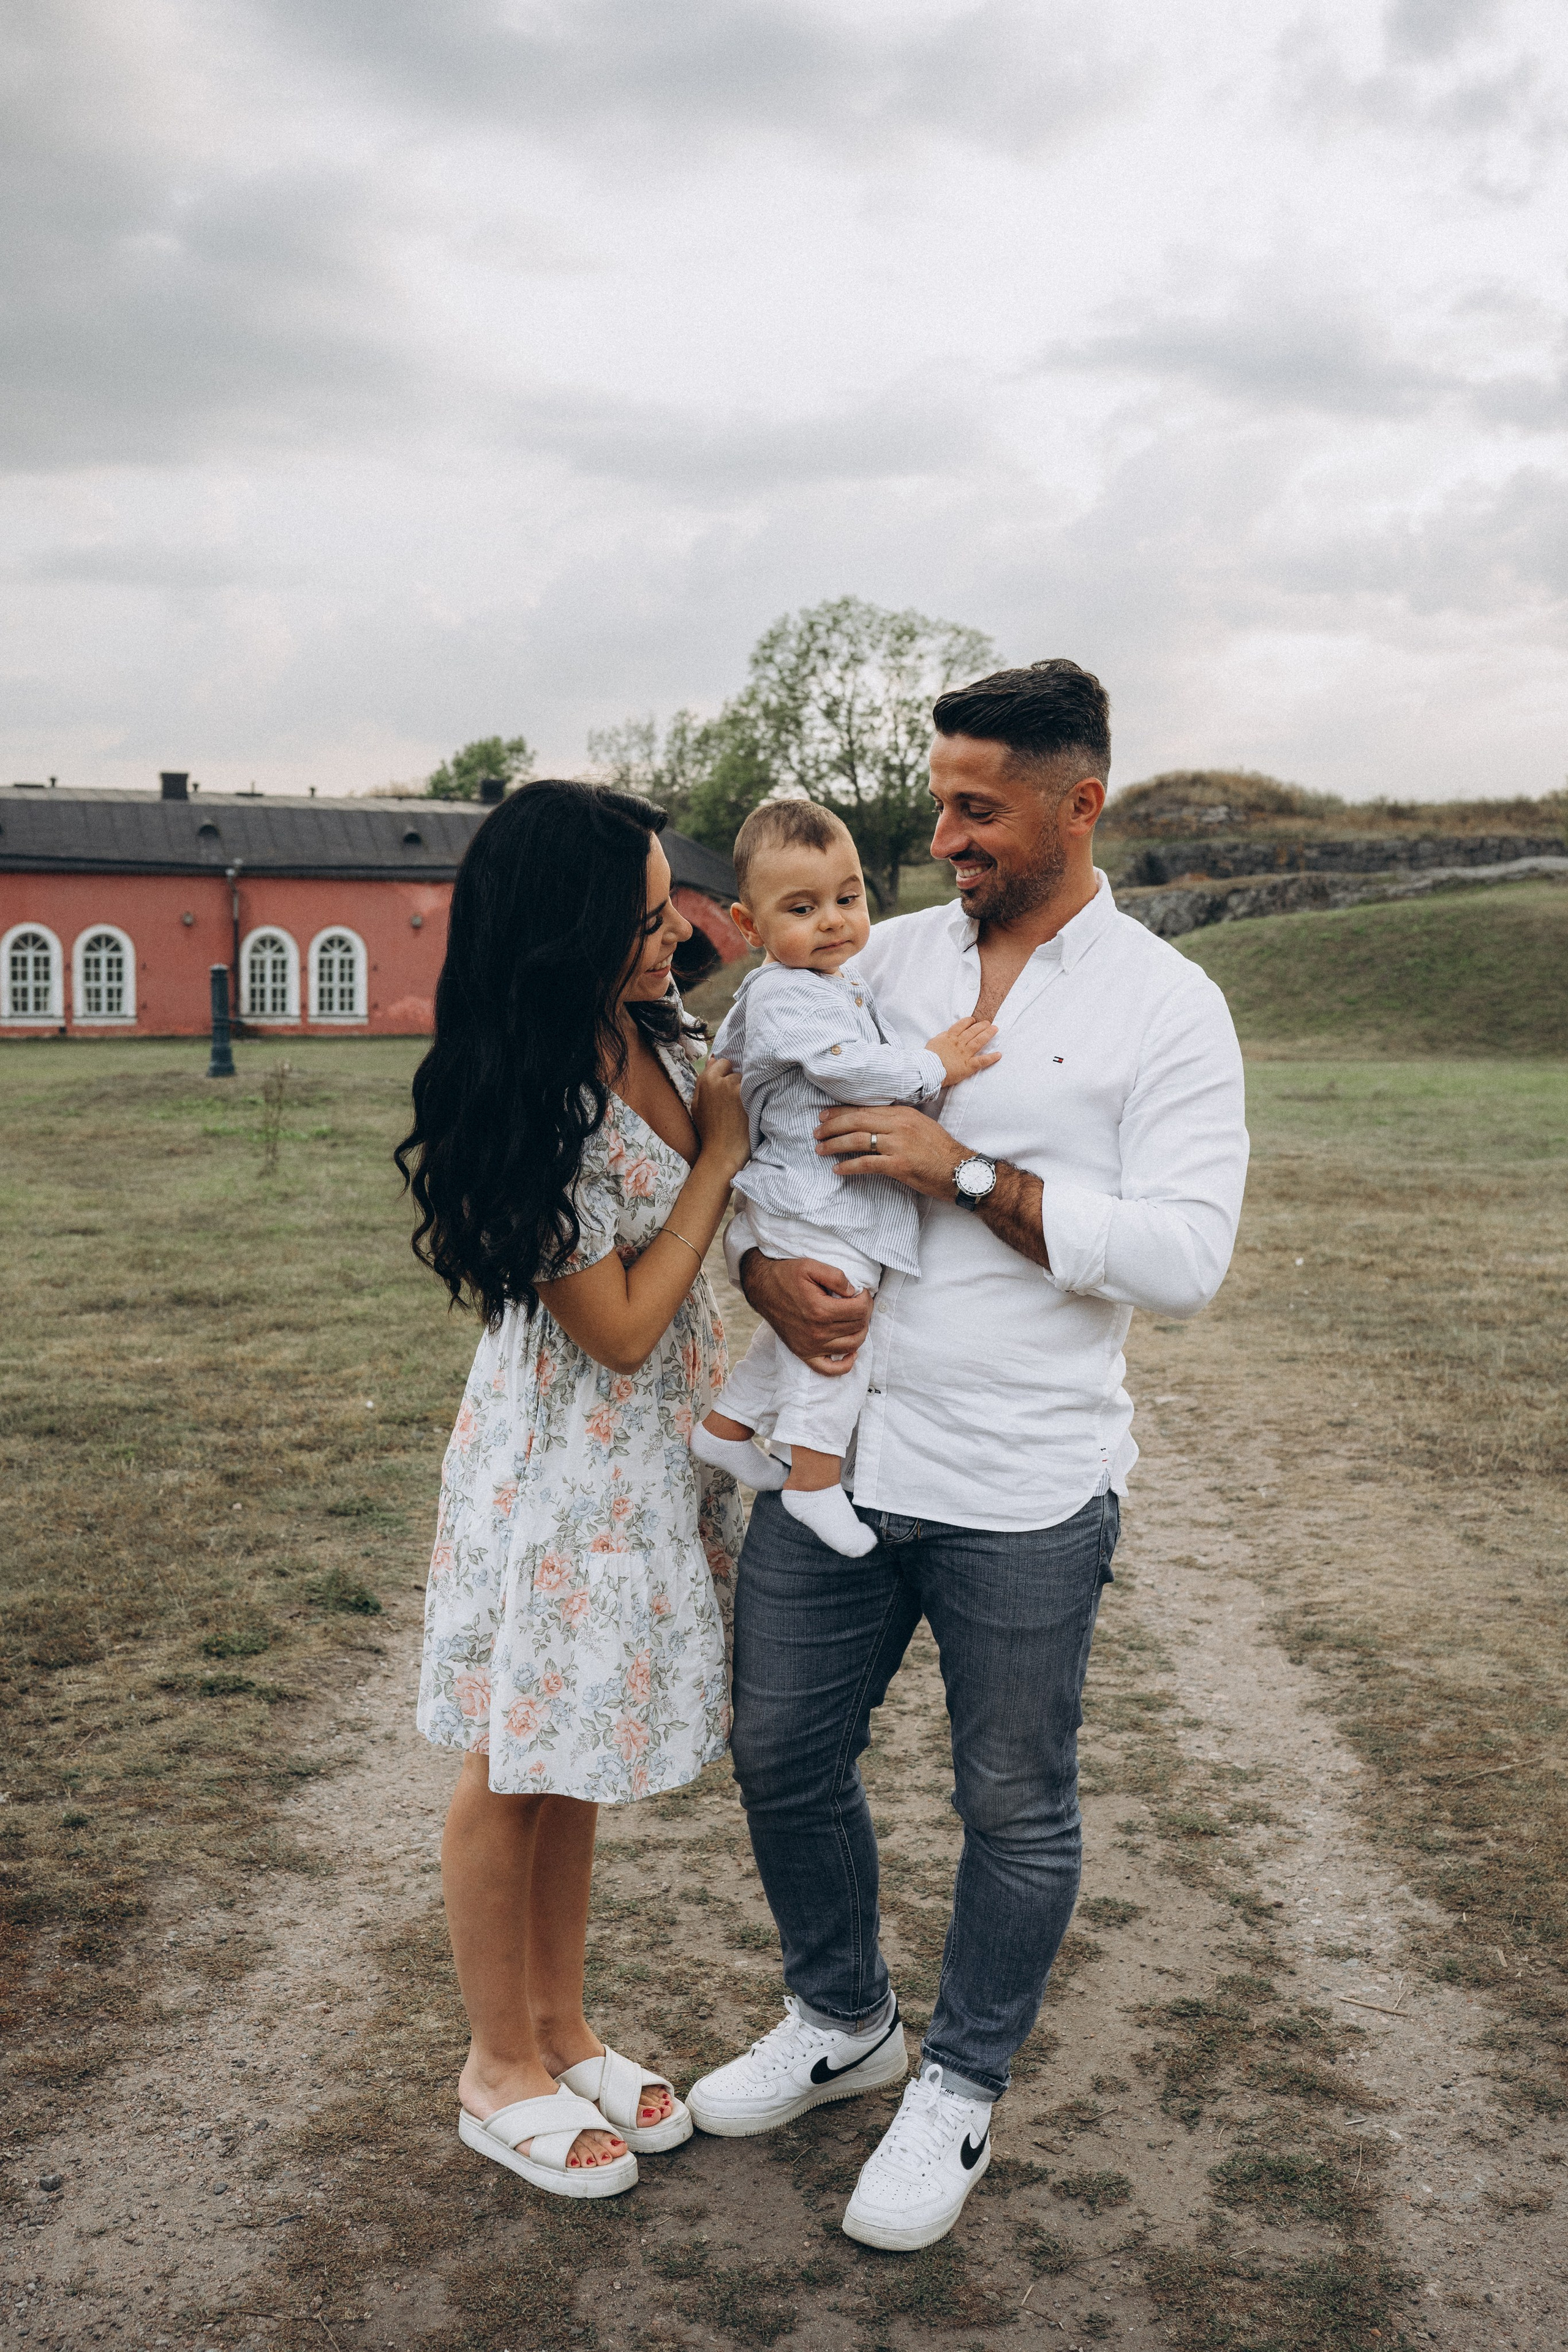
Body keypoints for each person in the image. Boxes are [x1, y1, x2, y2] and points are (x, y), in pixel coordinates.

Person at [686, 660, 1250, 2253]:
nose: (941, 838)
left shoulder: (1168, 1007)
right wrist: (753, 1275)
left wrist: (971, 1167)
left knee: (1014, 1800)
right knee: (781, 1746)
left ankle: (958, 2085)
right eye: (936, 801)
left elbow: (1187, 1257)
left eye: (977, 807)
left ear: (1082, 804)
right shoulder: (879, 946)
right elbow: (776, 1120)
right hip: (839, 1455)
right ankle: (841, 2019)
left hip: (1023, 1484)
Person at [396, 780, 752, 2203]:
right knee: (511, 1762)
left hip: (643, 1461)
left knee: (574, 1750)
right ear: (568, 932)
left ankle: (560, 2029)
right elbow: (612, 1325)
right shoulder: (533, 1085)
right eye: (643, 913)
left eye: (668, 900)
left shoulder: (652, 1028)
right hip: (559, 1466)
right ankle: (496, 2067)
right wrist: (716, 1166)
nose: (675, 928)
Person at [692, 798, 998, 1556]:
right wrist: (934, 1064)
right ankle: (813, 1481)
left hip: (817, 1193)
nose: (832, 920)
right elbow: (842, 1069)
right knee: (841, 1335)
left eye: (847, 898)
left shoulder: (825, 980)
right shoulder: (786, 991)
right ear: (749, 925)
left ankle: (728, 1428)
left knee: (808, 1325)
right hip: (819, 1193)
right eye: (802, 907)